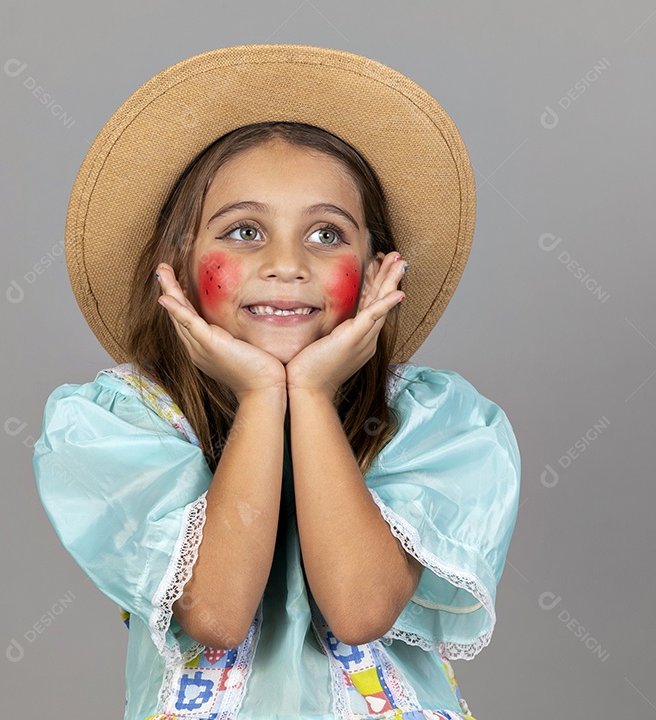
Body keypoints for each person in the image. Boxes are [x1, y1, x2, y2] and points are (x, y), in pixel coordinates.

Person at [33, 44, 520, 720]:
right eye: (243, 231)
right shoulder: (117, 423)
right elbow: (216, 614)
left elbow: (358, 610)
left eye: (326, 234)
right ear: (178, 263)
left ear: (380, 271)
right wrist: (267, 396)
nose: (286, 264)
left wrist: (310, 396)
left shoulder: (440, 424)